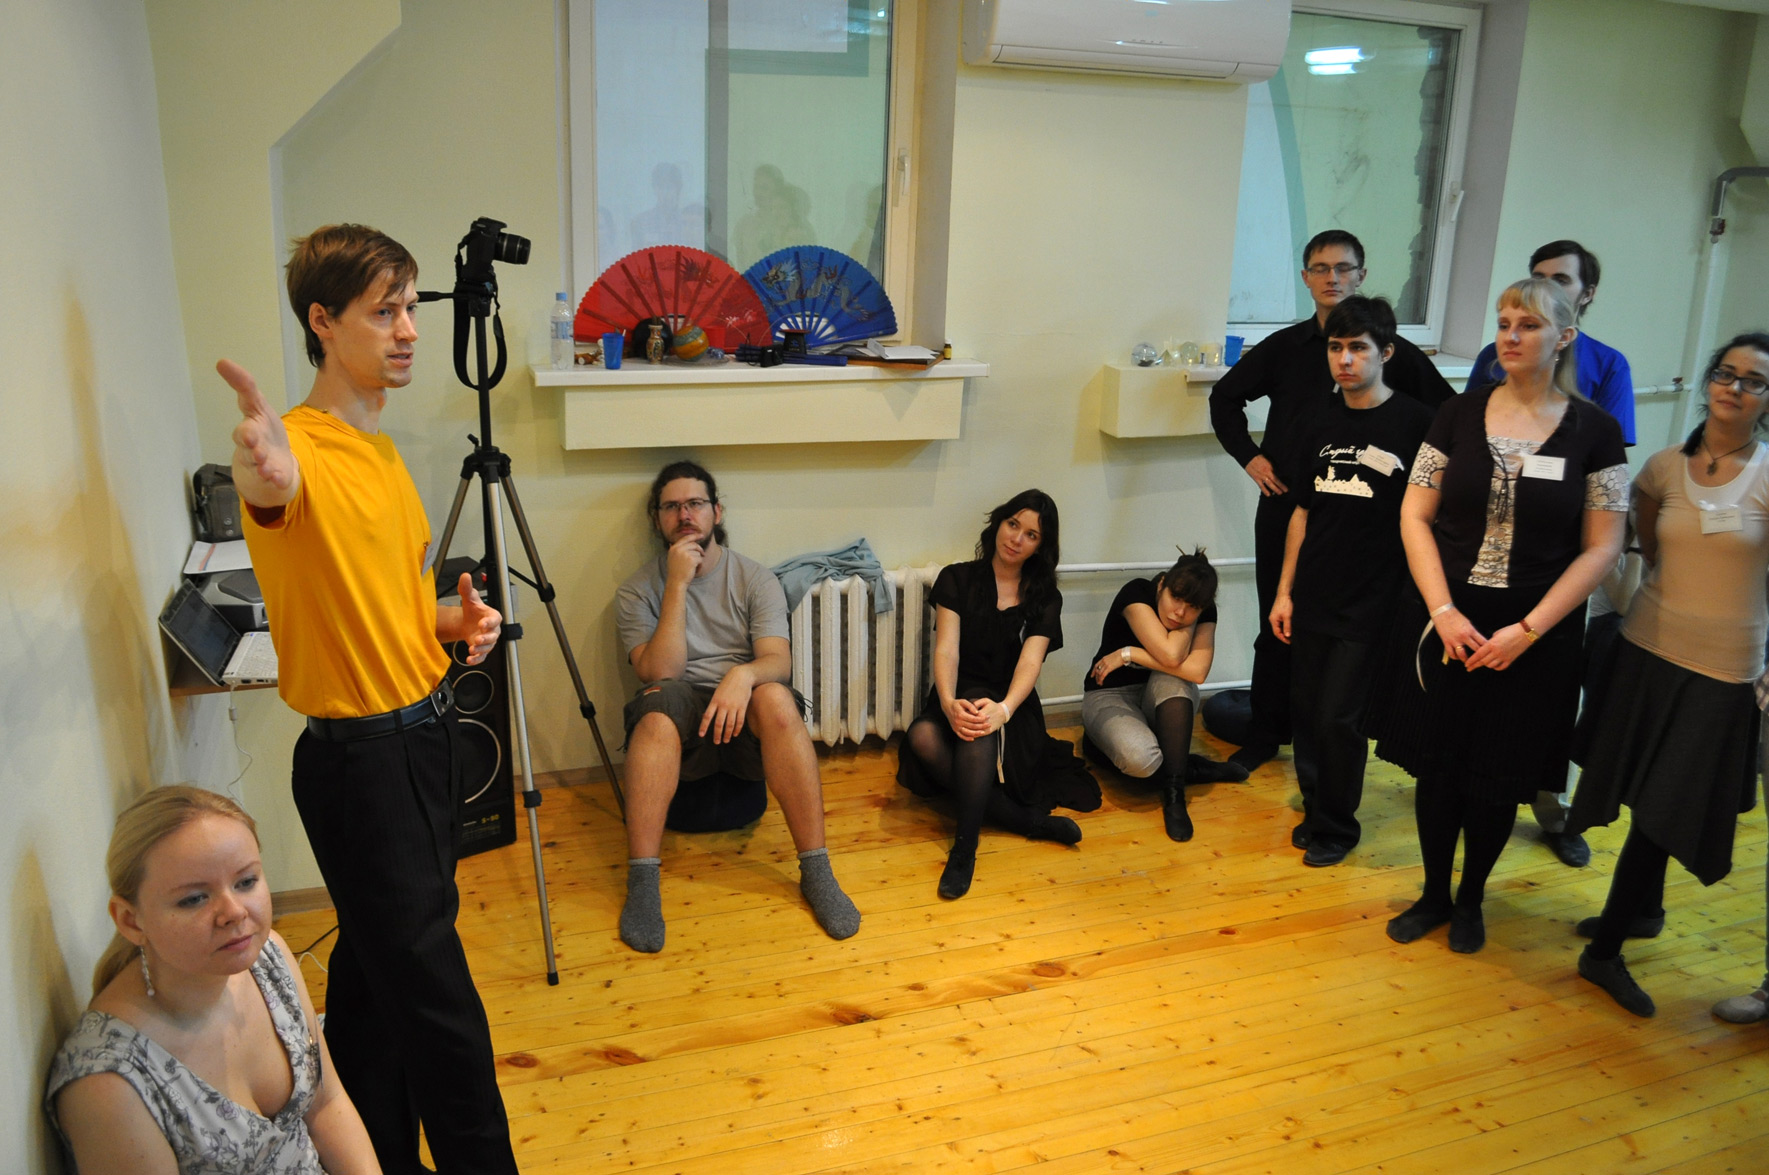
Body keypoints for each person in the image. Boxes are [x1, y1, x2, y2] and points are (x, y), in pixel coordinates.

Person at [223, 224, 518, 1174]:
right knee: (439, 1003)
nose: (408, 329)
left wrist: (449, 620)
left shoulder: (381, 454)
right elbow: (274, 489)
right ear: (323, 320)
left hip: (424, 737)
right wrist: (261, 473)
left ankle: (372, 1154)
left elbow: (385, 602)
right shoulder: (298, 450)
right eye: (383, 310)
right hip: (362, 762)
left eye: (409, 307)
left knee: (375, 972)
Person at [1372, 276, 1628, 954]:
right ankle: (1433, 892)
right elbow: (1414, 515)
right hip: (1447, 622)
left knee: (1496, 776)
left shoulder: (1596, 432)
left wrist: (1529, 630)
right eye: (1504, 322)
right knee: (1437, 767)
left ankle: (1471, 899)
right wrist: (1443, 610)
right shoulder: (1456, 414)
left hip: (1533, 636)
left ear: (1564, 337)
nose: (1511, 336)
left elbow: (1603, 547)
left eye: (1529, 325)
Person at [1567, 333, 1769, 1017]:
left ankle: (1603, 952)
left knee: (1665, 807)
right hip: (1647, 651)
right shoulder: (1661, 468)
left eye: (1752, 380)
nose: (1734, 387)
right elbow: (1646, 542)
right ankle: (1641, 911)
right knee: (1638, 793)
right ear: (1708, 381)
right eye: (1725, 373)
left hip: (1722, 670)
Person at [1210, 229, 1456, 774]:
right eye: (1321, 268)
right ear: (1306, 278)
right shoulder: (1285, 347)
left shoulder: (1392, 351)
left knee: (1355, 639)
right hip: (1291, 506)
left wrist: (1420, 494)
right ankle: (1267, 731)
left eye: (1344, 268)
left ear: (1361, 276)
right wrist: (1251, 459)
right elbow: (1224, 398)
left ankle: (1343, 736)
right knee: (1280, 620)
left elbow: (1447, 416)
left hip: (1368, 518)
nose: (1333, 278)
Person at [47, 786, 381, 1175]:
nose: (234, 912)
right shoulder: (109, 1084)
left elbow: (327, 1106)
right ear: (130, 921)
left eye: (246, 881)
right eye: (194, 899)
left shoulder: (268, 957)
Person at [614, 459, 861, 953]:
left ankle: (817, 871)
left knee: (775, 696)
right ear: (657, 519)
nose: (685, 515)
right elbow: (660, 671)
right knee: (657, 708)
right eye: (672, 507)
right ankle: (642, 884)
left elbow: (778, 661)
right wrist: (678, 584)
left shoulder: (754, 577)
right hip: (682, 719)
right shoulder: (636, 591)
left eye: (695, 503)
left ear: (717, 511)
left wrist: (742, 675)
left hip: (742, 717)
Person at [1468, 239, 1637, 868]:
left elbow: (1606, 464)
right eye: (1536, 276)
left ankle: (1553, 810)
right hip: (1483, 565)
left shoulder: (1608, 365)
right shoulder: (1491, 360)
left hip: (1559, 567)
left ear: (1583, 296)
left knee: (1546, 708)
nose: (1545, 287)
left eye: (1560, 280)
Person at [1269, 296, 1435, 867]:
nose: (1344, 359)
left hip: (1374, 599)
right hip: (1314, 591)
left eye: (1358, 348)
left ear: (1385, 353)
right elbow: (1301, 511)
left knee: (1340, 717)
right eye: (1336, 347)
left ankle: (1338, 828)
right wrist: (1284, 592)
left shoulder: (1416, 423)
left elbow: (1427, 519)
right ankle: (1317, 808)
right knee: (1308, 711)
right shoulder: (1316, 419)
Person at [898, 490, 1101, 899]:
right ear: (999, 523)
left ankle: (964, 849)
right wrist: (947, 703)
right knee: (922, 735)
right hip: (957, 693)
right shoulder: (957, 578)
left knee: (980, 726)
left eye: (1031, 535)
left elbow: (1030, 663)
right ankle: (1025, 822)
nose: (1016, 539)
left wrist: (1004, 710)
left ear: (1041, 546)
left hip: (1011, 705)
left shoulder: (1045, 597)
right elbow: (947, 650)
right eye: (1013, 525)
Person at [1081, 548, 1245, 844]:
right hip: (1110, 694)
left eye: (1192, 606)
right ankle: (1189, 767)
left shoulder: (1203, 612)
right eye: (1176, 597)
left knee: (1175, 679)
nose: (1179, 612)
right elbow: (1171, 655)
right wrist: (1188, 621)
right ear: (1162, 584)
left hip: (1158, 696)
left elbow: (1196, 672)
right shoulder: (1137, 592)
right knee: (1140, 760)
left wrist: (1129, 654)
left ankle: (1174, 793)